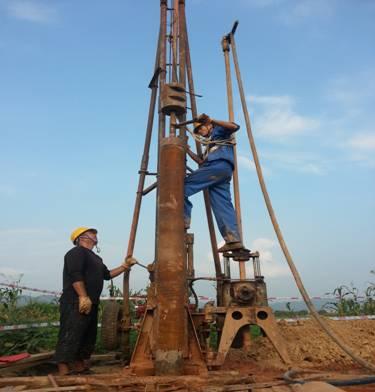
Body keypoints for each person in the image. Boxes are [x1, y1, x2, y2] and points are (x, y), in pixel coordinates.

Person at [54, 227, 136, 375]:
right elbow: (75, 275)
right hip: (75, 301)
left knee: (87, 336)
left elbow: (108, 275)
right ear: (81, 238)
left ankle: (80, 367)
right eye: (92, 233)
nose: (95, 235)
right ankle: (63, 371)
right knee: (70, 334)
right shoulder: (75, 253)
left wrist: (125, 266)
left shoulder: (96, 259)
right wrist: (83, 296)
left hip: (91, 303)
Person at [185, 114, 246, 253]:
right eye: (198, 131)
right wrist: (187, 150)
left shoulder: (219, 131)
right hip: (222, 172)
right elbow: (201, 162)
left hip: (217, 167)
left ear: (208, 125)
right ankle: (233, 240)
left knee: (181, 187)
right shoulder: (208, 147)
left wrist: (212, 120)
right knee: (222, 204)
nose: (200, 132)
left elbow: (235, 126)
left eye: (201, 129)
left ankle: (183, 220)